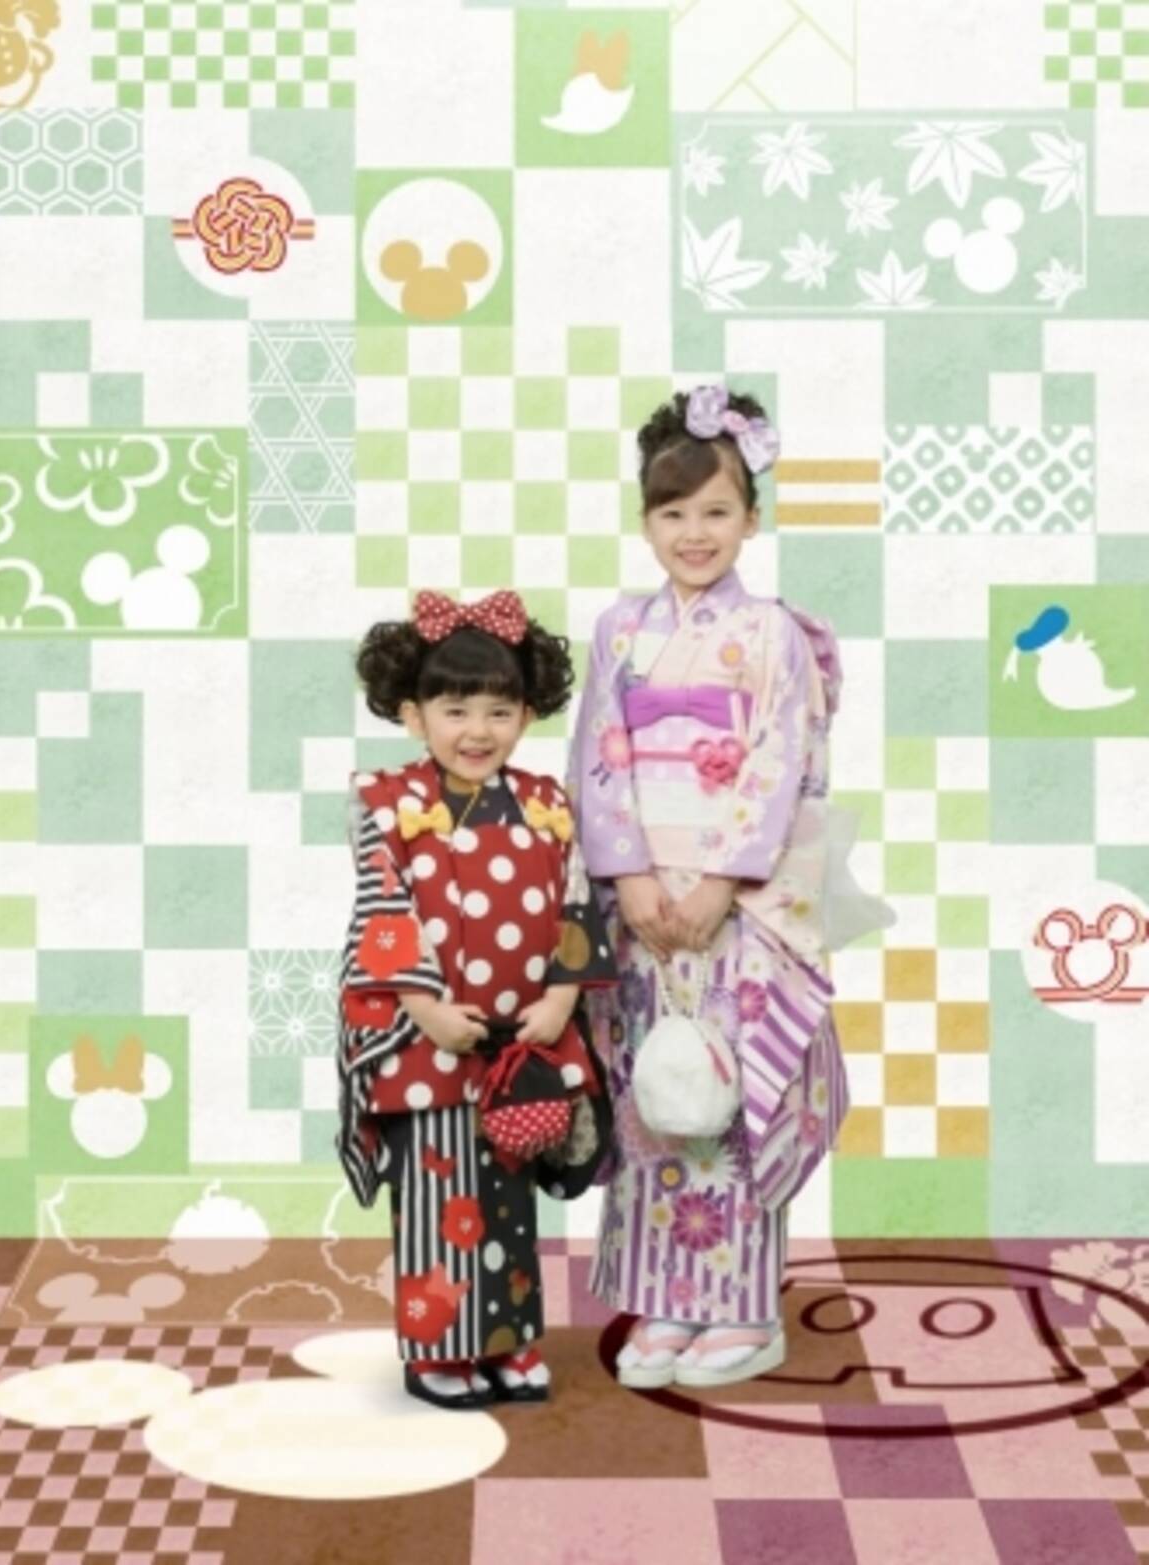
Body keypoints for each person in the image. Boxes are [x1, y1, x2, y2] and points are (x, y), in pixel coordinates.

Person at [569, 384, 875, 1390]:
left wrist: (721, 881)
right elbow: (599, 759)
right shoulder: (619, 629)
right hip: (645, 906)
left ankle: (742, 1307)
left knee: (733, 1092)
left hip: (736, 907)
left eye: (716, 510)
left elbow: (784, 763)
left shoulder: (774, 634)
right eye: (673, 511)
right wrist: (632, 875)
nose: (693, 532)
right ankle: (664, 1297)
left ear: (752, 517)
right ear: (644, 520)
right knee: (655, 1090)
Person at [336, 589, 615, 1410]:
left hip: (522, 1039)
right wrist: (425, 1007)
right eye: (454, 709)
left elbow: (576, 903)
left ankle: (510, 1339)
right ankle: (441, 1347)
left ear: (527, 714)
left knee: (507, 1198)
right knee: (438, 1193)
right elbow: (382, 907)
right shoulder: (386, 801)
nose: (477, 730)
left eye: (499, 710)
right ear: (413, 714)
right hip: (426, 1036)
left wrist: (561, 999)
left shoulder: (545, 803)